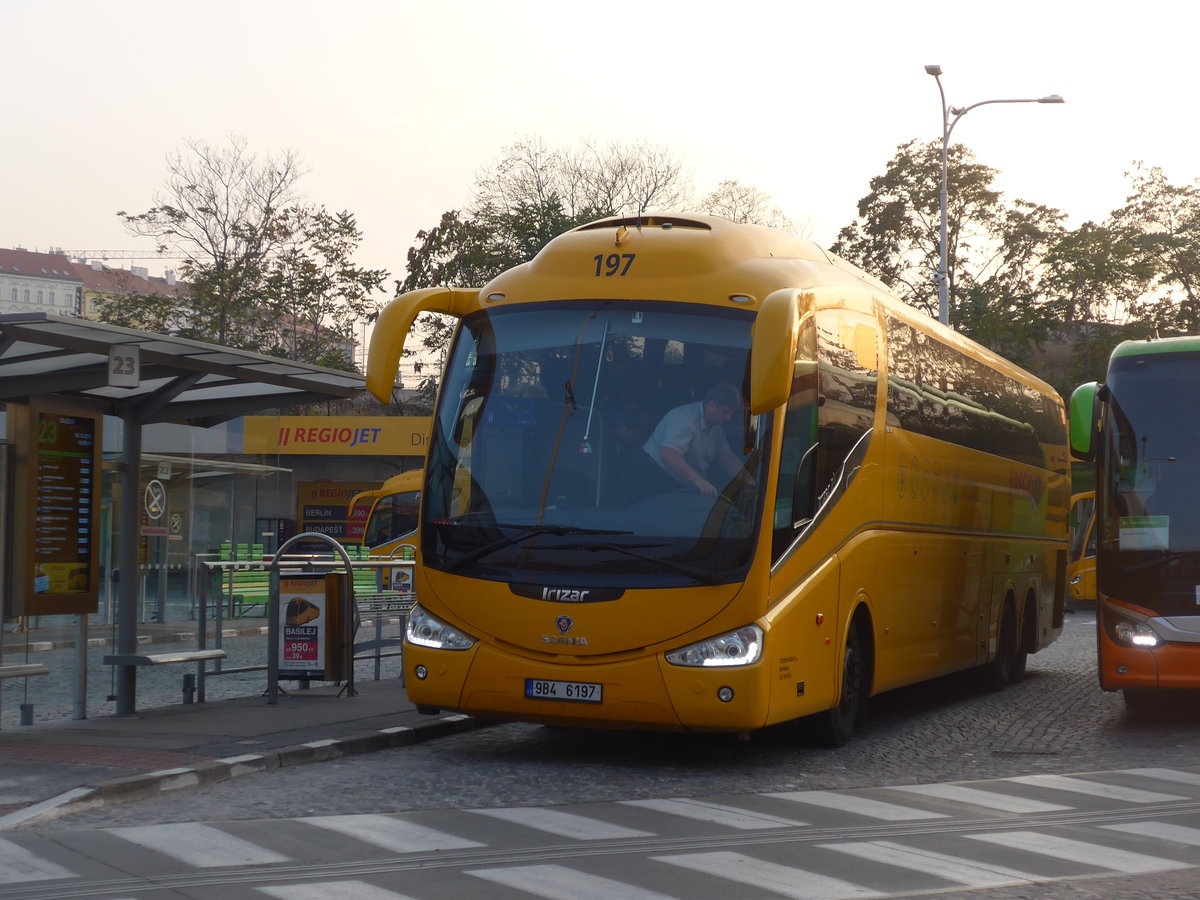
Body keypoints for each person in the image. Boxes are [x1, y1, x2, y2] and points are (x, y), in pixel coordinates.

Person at [642, 382, 747, 497]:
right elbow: (668, 454)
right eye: (726, 412)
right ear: (712, 405)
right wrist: (698, 481)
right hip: (653, 477)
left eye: (731, 413)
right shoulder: (684, 419)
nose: (729, 418)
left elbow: (726, 456)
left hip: (681, 483)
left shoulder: (717, 429)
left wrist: (745, 479)